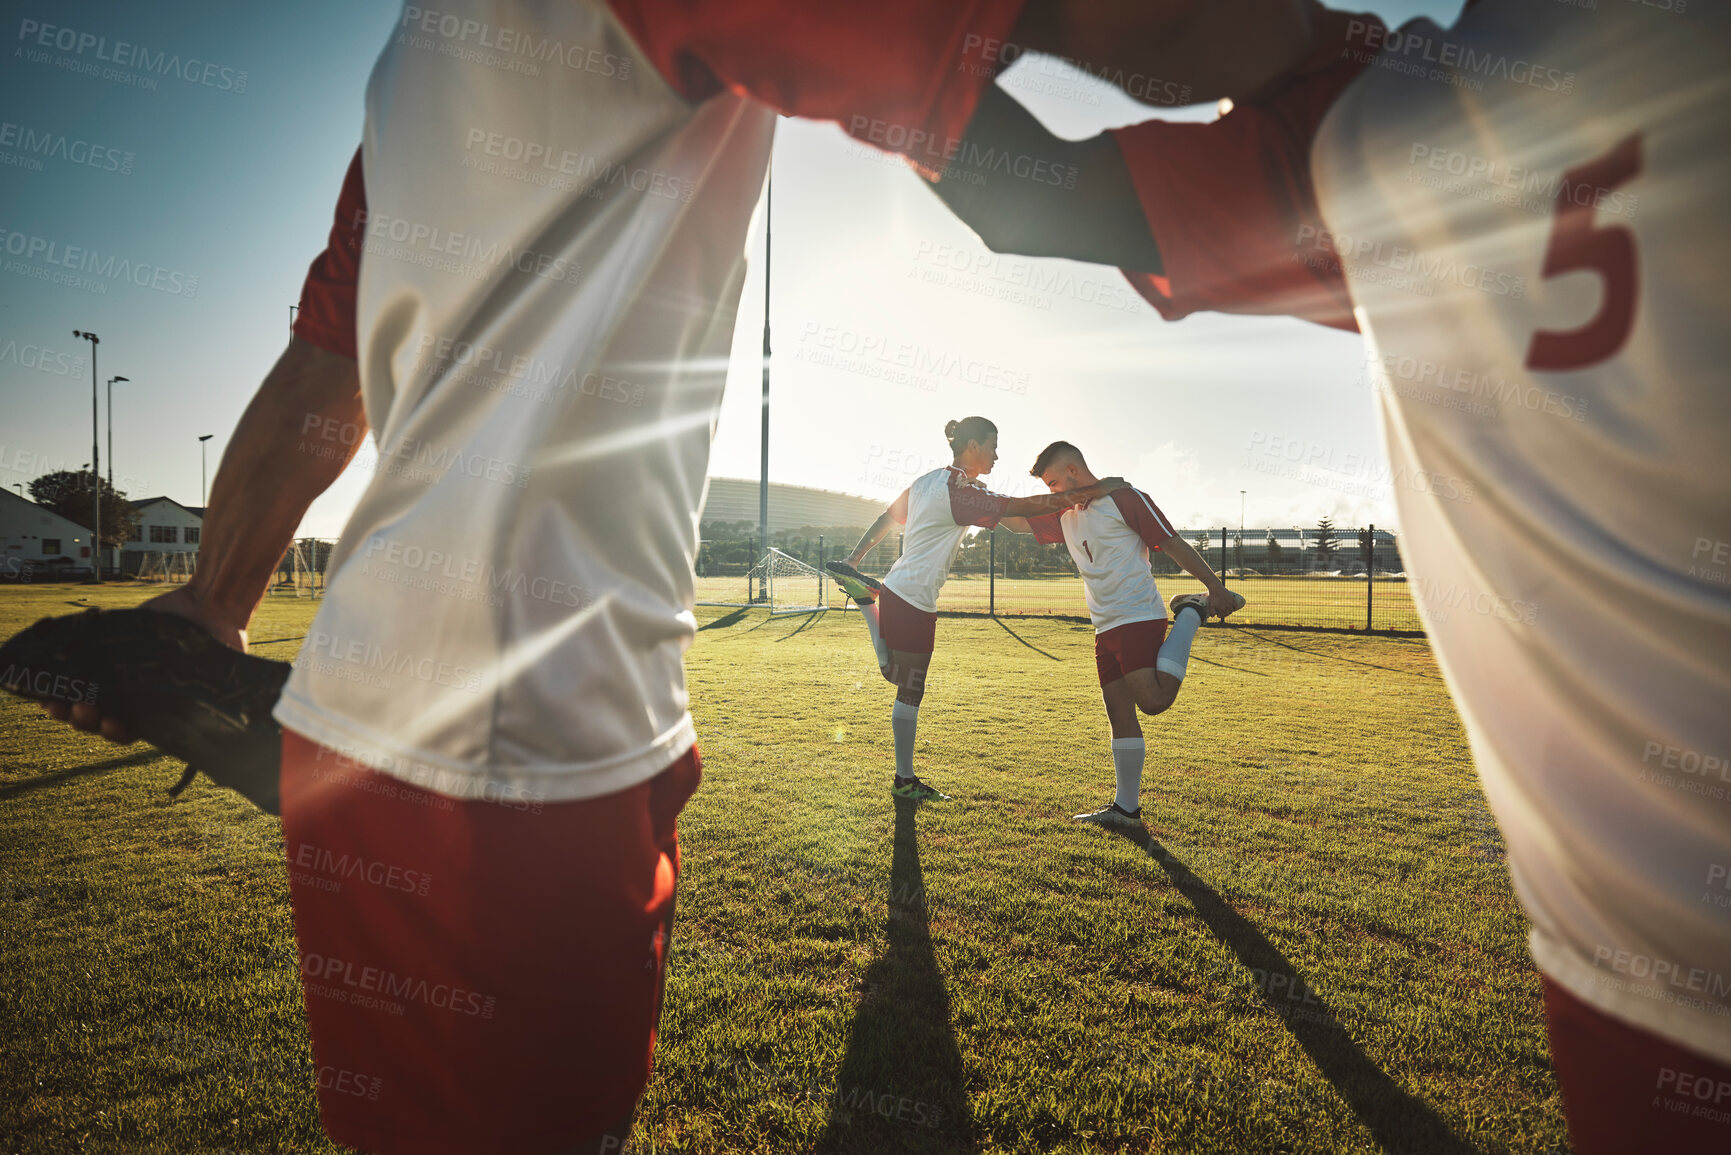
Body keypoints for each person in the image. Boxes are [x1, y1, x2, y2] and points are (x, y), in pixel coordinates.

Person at [38, 3, 1339, 1151]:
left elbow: (322, 376)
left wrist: (208, 603)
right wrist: (1344, 117)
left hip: (359, 715)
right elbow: (1055, 123)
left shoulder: (412, 71)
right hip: (537, 760)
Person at [921, 2, 1731, 1150]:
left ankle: (1195, 647)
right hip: (1623, 982)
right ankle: (1128, 804)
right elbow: (1049, 204)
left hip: (1647, 975)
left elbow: (1046, 189)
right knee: (1119, 708)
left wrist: (1205, 587)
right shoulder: (1404, 115)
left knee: (1150, 693)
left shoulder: (1402, 121)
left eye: (1064, 464)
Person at [828, 418, 1128, 801]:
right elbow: (1024, 506)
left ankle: (867, 598)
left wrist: (855, 556)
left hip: (901, 590)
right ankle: (904, 781)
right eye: (992, 446)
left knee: (900, 678)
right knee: (906, 686)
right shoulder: (961, 494)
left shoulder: (928, 481)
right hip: (915, 599)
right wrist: (1096, 489)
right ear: (972, 446)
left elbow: (889, 517)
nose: (997, 454)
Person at [996, 441, 1242, 827]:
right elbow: (1014, 520)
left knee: (1154, 700)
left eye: (1056, 482)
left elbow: (1171, 542)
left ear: (1074, 472)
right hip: (1104, 624)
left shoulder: (1125, 497)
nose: (1053, 493)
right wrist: (973, 503)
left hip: (1137, 614)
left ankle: (1191, 611)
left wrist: (1216, 588)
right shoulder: (1065, 513)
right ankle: (1126, 809)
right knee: (1119, 713)